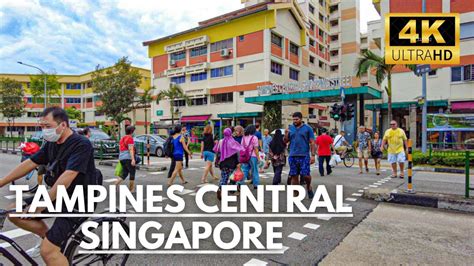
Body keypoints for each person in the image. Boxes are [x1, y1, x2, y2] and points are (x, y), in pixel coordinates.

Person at [0, 107, 97, 264]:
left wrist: (41, 203)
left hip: (79, 200)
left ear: (63, 125)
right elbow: (31, 162)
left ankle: (51, 247)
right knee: (14, 211)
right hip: (58, 194)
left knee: (48, 252)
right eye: (42, 127)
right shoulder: (52, 143)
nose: (44, 131)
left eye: (48, 127)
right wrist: (2, 181)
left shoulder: (81, 144)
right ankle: (48, 238)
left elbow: (68, 176)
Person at [284, 112, 316, 198]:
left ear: (301, 119)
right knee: (294, 176)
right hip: (292, 155)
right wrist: (286, 134)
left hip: (304, 155)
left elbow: (312, 142)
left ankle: (309, 187)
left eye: (296, 119)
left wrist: (313, 155)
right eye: (293, 119)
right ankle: (296, 195)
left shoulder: (308, 128)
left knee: (306, 175)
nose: (294, 121)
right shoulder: (290, 128)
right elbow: (285, 141)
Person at [215, 128, 243, 199]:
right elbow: (238, 152)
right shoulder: (233, 141)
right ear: (230, 133)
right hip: (232, 163)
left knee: (224, 177)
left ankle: (220, 188)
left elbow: (217, 152)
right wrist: (239, 162)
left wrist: (217, 160)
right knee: (232, 178)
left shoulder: (221, 141)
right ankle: (231, 191)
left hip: (223, 162)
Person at [115, 126, 137, 192]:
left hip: (122, 158)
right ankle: (131, 189)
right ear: (131, 132)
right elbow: (131, 149)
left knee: (124, 173)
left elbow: (120, 148)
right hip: (128, 157)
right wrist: (133, 159)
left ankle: (115, 184)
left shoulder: (122, 138)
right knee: (132, 172)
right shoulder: (130, 138)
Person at [240, 125, 260, 189]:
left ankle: (239, 183)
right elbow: (256, 149)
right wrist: (258, 157)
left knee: (244, 170)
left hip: (245, 156)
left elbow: (241, 147)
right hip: (253, 156)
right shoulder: (254, 137)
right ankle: (256, 184)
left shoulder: (243, 137)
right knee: (254, 170)